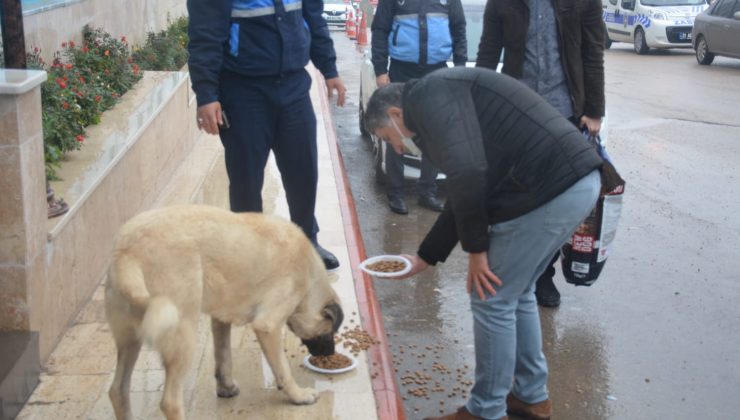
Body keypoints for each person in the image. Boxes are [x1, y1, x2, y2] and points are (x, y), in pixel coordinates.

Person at [364, 67, 603, 420]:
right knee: (515, 293)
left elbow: (470, 172)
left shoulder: (429, 97)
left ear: (396, 114)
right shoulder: (438, 95)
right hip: (573, 184)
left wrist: (476, 250)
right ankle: (530, 398)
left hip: (549, 188)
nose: (396, 147)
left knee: (490, 296)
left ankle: (485, 410)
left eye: (388, 137)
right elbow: (468, 186)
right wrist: (424, 257)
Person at [187, 0, 347, 270]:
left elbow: (314, 18)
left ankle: (306, 240)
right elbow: (205, 34)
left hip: (294, 85)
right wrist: (206, 94)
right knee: (246, 180)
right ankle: (249, 251)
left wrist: (329, 69)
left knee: (303, 170)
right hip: (242, 90)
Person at [476, 0, 606, 307]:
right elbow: (489, 49)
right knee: (519, 194)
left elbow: (592, 52)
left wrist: (594, 110)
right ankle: (520, 267)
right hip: (515, 108)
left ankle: (543, 274)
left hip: (563, 111)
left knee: (554, 199)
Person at [370, 0, 467, 215]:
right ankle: (396, 193)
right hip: (401, 70)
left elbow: (459, 30)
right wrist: (380, 70)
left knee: (432, 131)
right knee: (396, 129)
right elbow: (380, 30)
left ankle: (427, 192)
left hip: (437, 70)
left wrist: (460, 68)